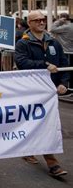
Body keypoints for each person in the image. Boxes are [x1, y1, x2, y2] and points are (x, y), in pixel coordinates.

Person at [15, 10, 69, 177]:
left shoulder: (53, 42)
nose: (41, 22)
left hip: (49, 92)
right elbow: (22, 62)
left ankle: (50, 160)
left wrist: (63, 83)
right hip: (31, 91)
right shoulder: (23, 43)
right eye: (37, 20)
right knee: (34, 121)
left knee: (48, 123)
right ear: (29, 23)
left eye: (43, 19)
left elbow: (63, 63)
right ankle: (46, 158)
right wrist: (44, 65)